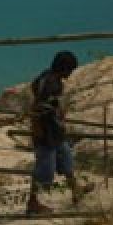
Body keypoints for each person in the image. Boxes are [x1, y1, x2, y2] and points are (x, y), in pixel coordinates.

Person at [26, 51, 88, 215]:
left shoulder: (47, 77)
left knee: (66, 160)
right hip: (47, 133)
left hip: (55, 132)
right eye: (70, 70)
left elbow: (45, 101)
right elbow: (39, 107)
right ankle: (32, 203)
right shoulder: (51, 84)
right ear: (64, 68)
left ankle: (76, 192)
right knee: (44, 170)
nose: (70, 73)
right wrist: (38, 127)